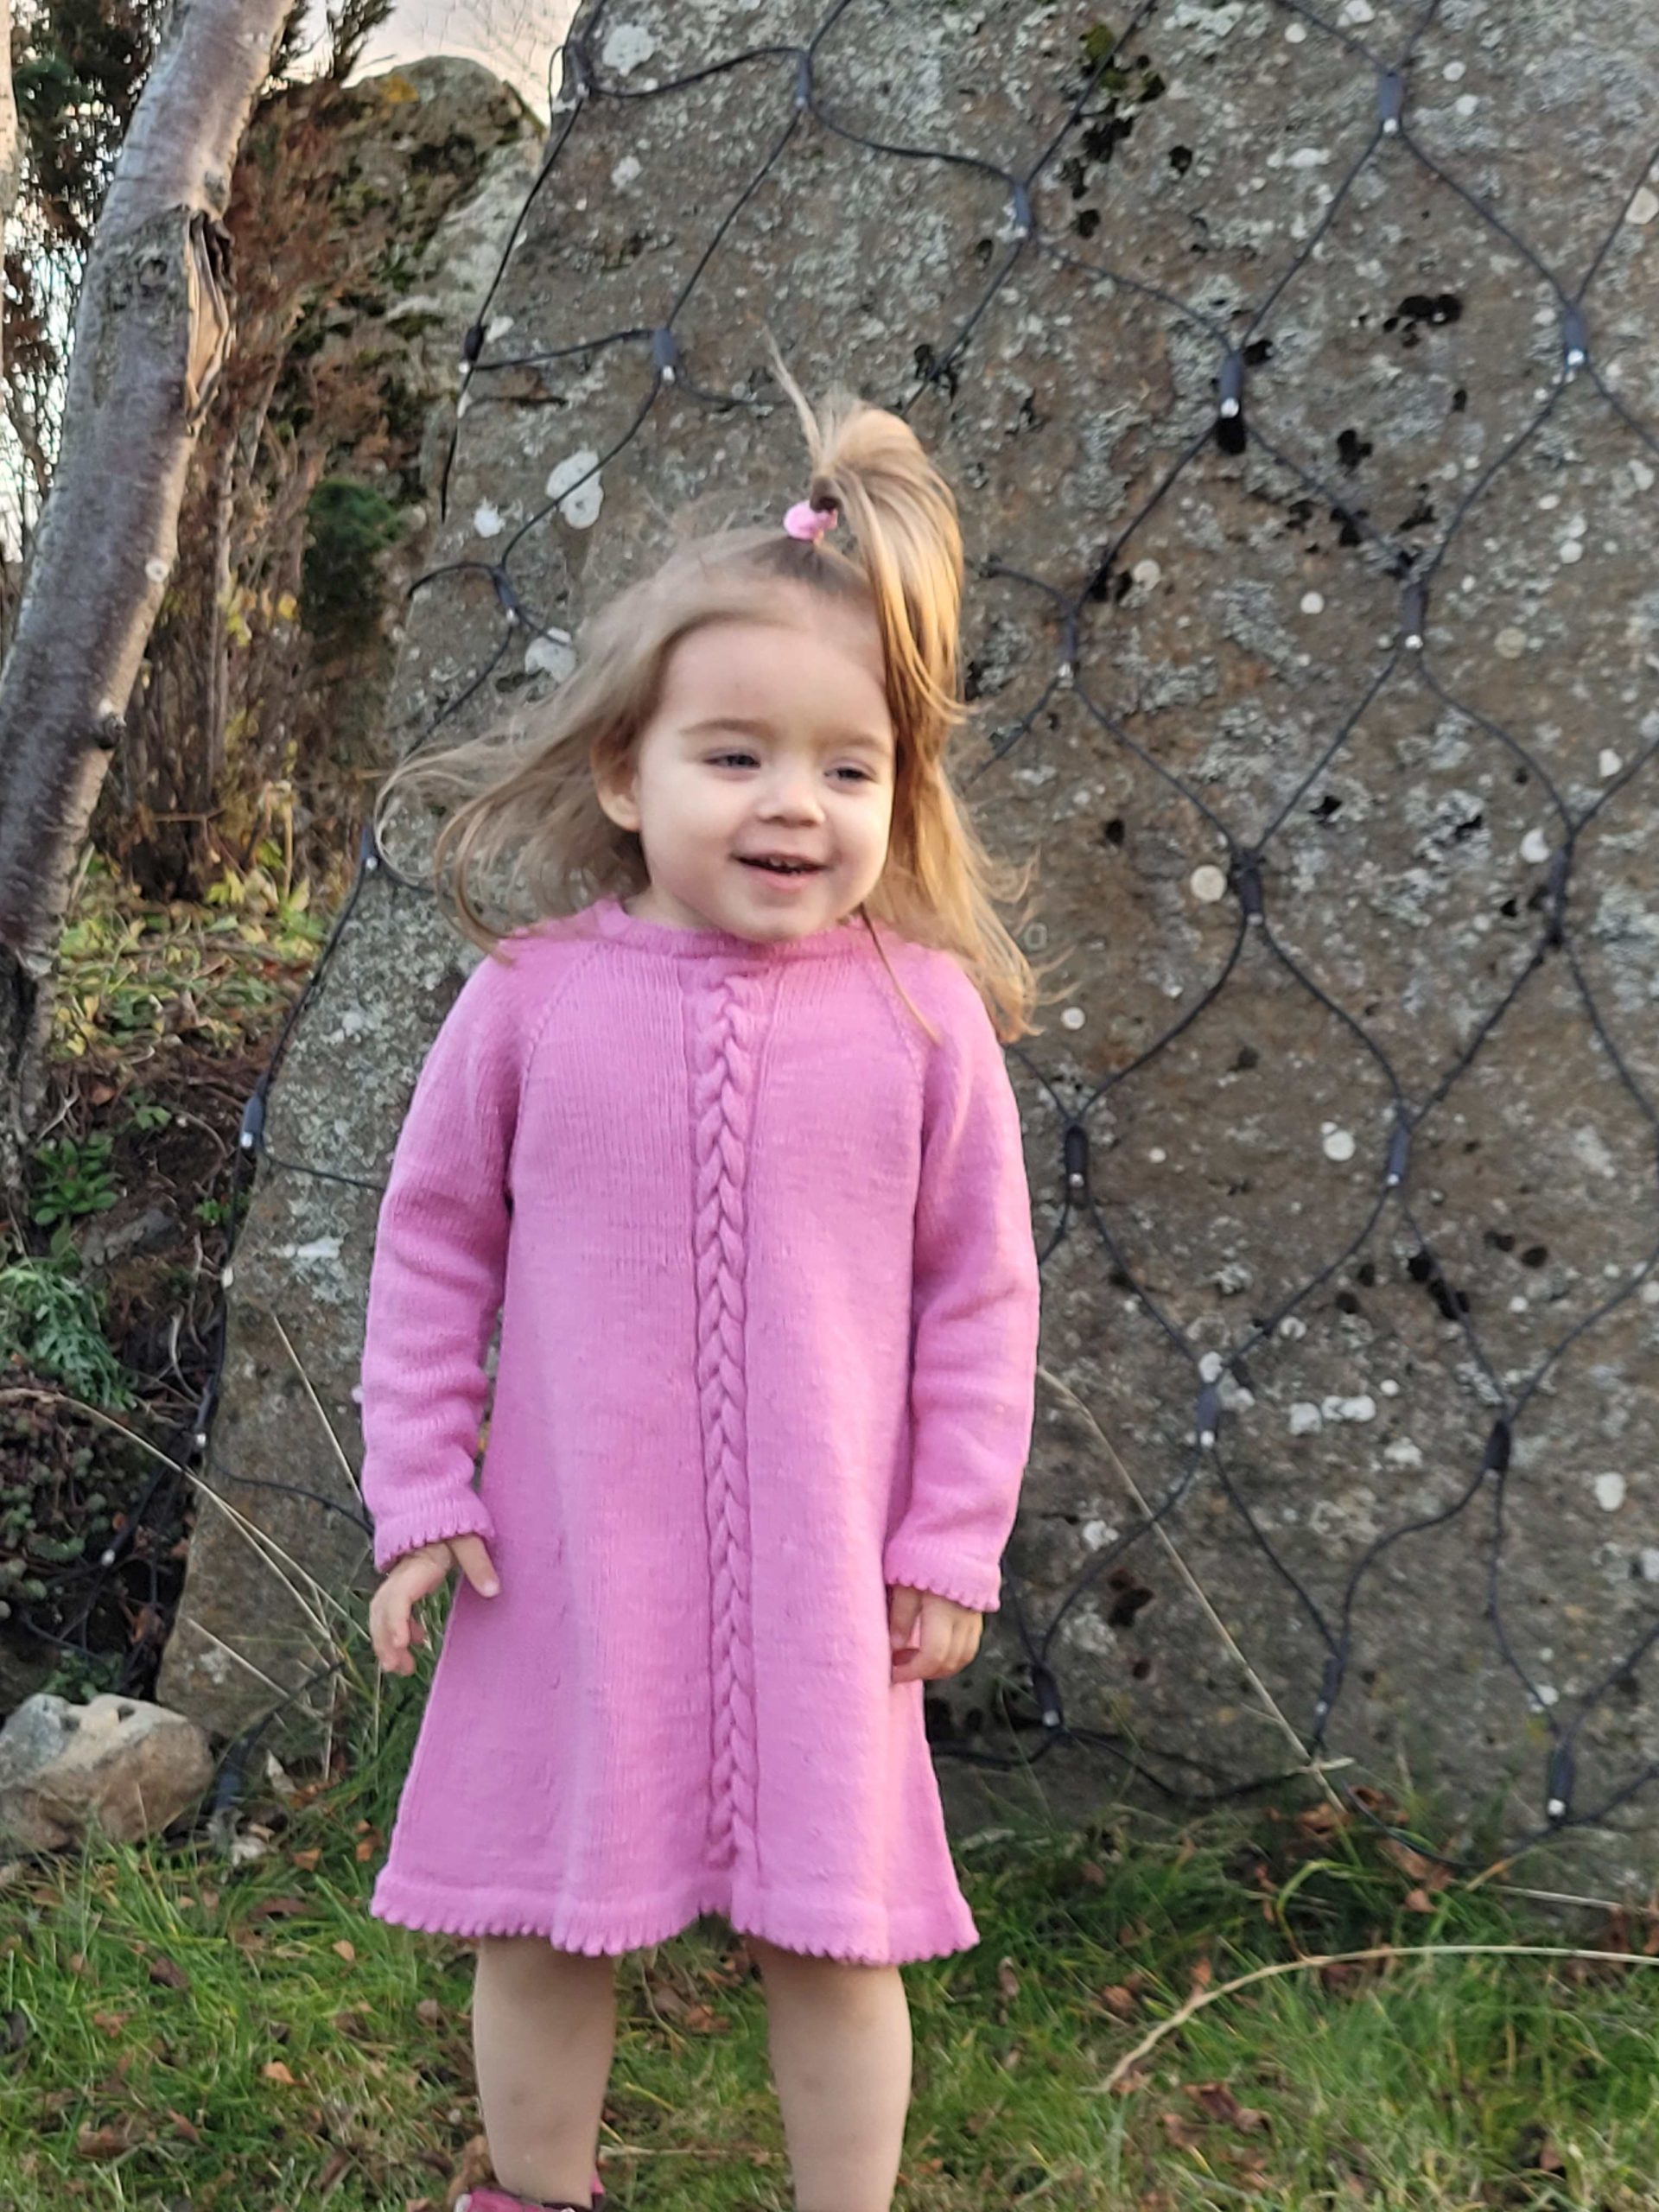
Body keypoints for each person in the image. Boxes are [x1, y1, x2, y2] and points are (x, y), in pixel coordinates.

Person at [357, 346, 1051, 2212]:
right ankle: (533, 2189)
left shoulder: (923, 1023)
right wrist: (421, 1491)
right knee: (538, 1914)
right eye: (734, 754)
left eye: (848, 766)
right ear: (625, 767)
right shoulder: (531, 1000)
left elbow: (982, 1298)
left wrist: (948, 1536)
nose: (791, 804)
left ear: (899, 790)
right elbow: (433, 1245)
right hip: (565, 1561)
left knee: (839, 1934)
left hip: (833, 1586)